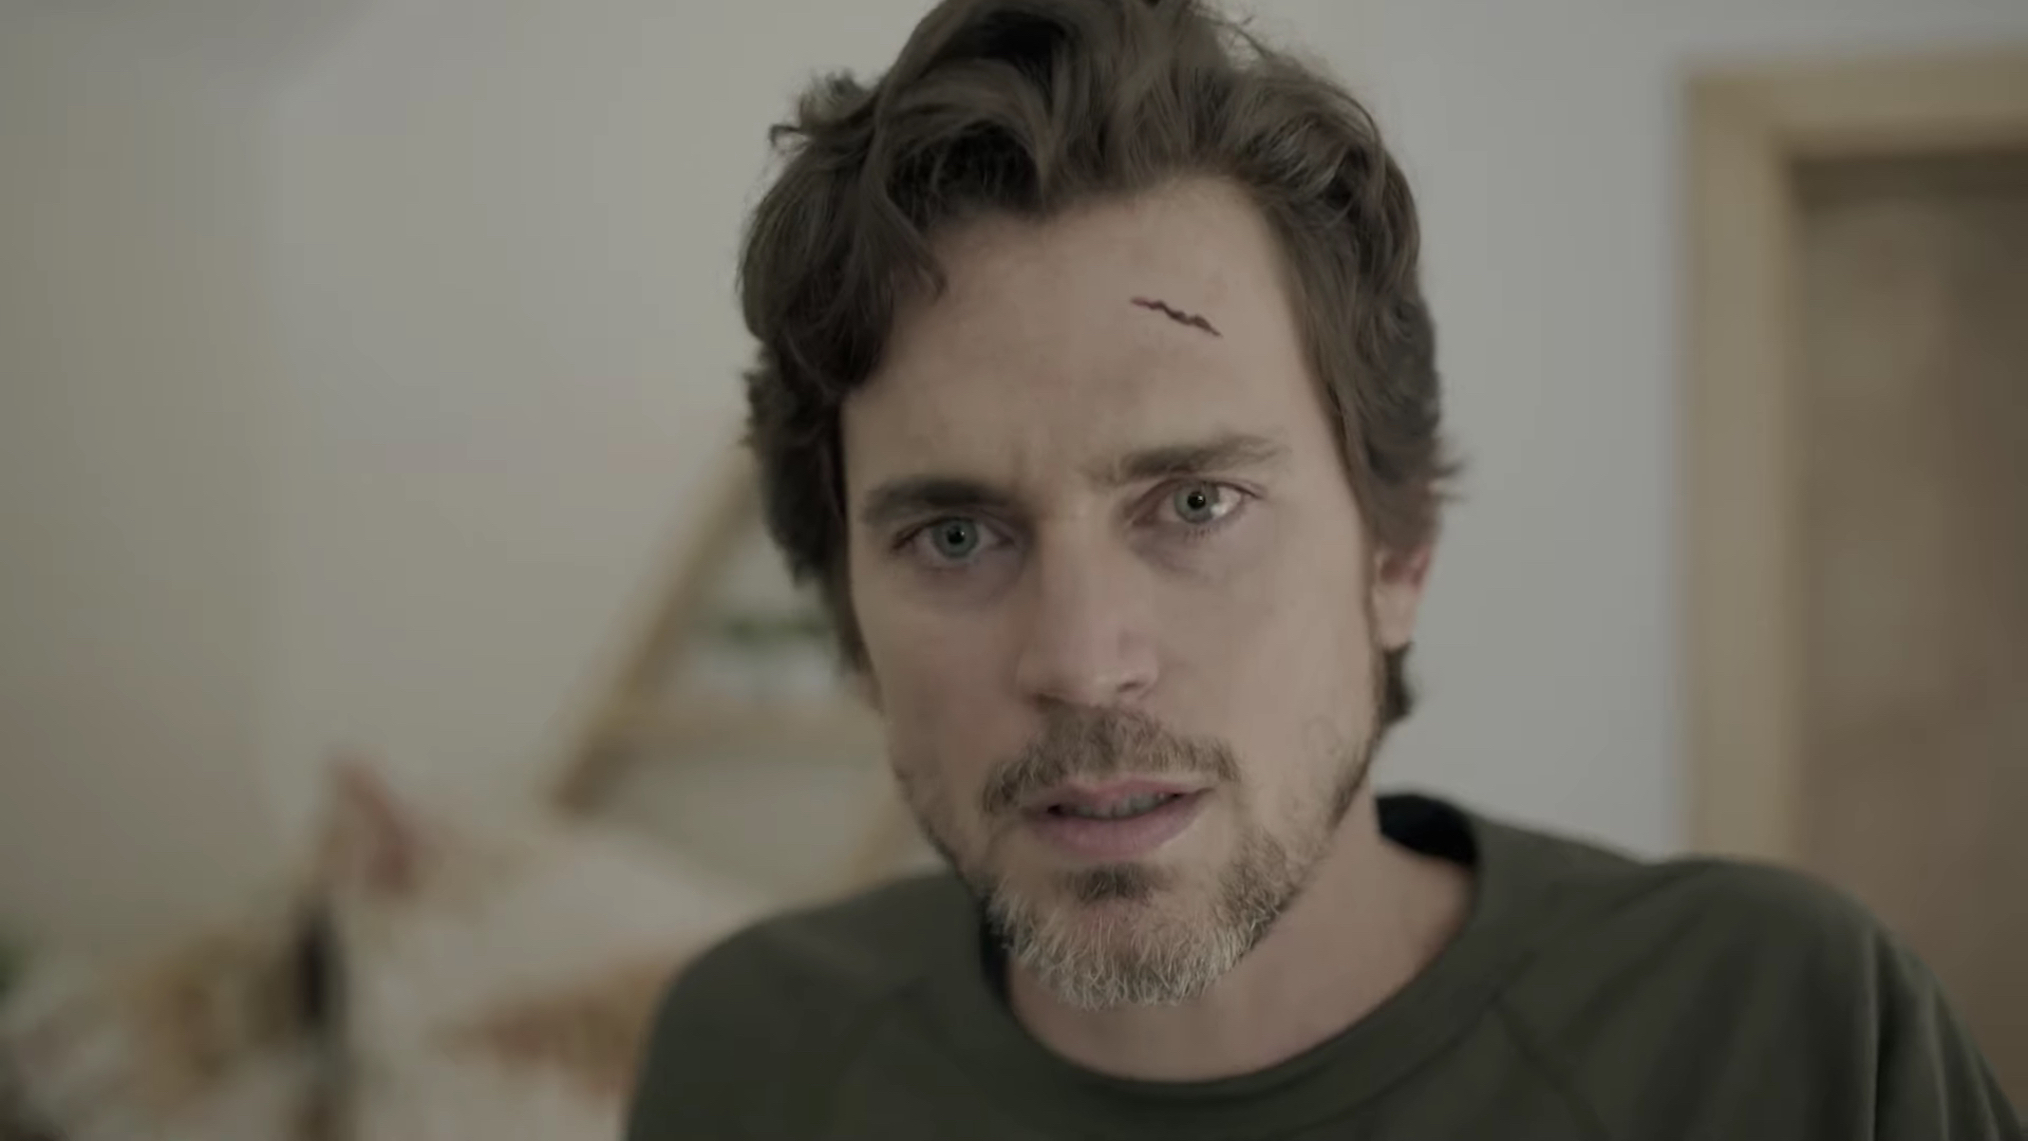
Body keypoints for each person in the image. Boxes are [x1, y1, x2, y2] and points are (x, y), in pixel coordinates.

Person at [625, 1, 2022, 1137]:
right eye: (954, 536)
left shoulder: (1780, 1038)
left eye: (1197, 502)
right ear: (851, 619)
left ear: (1398, 554)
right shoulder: (749, 1056)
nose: (1084, 659)